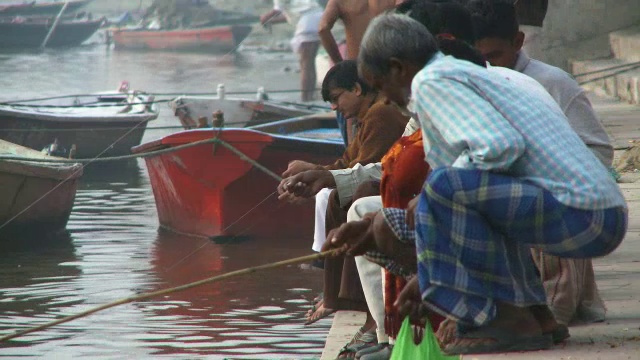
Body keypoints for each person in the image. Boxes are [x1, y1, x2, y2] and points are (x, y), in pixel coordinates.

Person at [318, 13, 627, 355]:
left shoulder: (433, 80)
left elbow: (499, 147)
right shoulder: (470, 76)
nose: (386, 100)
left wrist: (433, 264)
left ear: (397, 68)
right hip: (599, 214)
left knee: (443, 187)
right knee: (415, 207)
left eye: (380, 86)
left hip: (582, 214)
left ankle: (509, 319)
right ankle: (535, 315)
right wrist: (376, 231)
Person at [467, 0, 614, 328]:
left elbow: (600, 152)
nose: (487, 68)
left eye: (494, 56)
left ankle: (548, 312)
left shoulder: (553, 83)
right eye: (478, 59)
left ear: (518, 42)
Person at [278, 59, 409, 359]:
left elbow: (365, 169)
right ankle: (341, 299)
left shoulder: (381, 114)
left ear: (357, 88)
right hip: (378, 183)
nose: (335, 108)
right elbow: (347, 164)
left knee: (354, 198)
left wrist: (317, 172)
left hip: (393, 192)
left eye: (337, 98)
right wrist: (316, 173)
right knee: (337, 196)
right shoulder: (365, 118)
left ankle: (366, 313)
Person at [318, 0, 401, 146]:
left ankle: (353, 166)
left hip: (356, 72)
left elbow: (323, 28)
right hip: (388, 71)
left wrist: (340, 65)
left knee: (353, 136)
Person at [261, 0, 324, 102]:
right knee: (309, 63)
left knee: (305, 64)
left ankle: (305, 100)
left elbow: (278, 9)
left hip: (308, 21)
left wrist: (265, 17)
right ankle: (310, 97)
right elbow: (293, 15)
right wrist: (271, 21)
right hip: (317, 17)